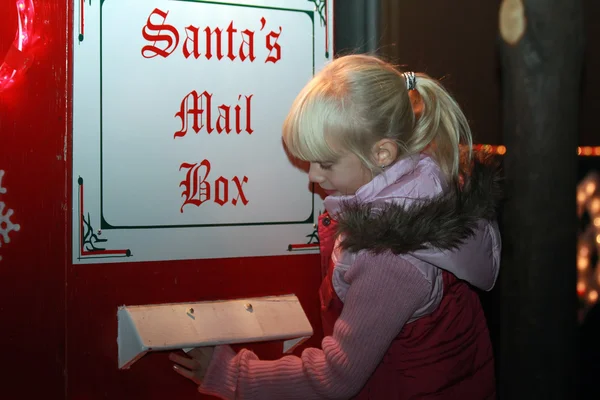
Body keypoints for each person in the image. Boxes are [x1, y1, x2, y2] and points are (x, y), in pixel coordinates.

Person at [169, 54, 502, 399]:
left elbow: (337, 377)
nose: (313, 176)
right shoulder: (423, 189)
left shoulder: (390, 259)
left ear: (382, 154)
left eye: (326, 163)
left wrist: (234, 374)